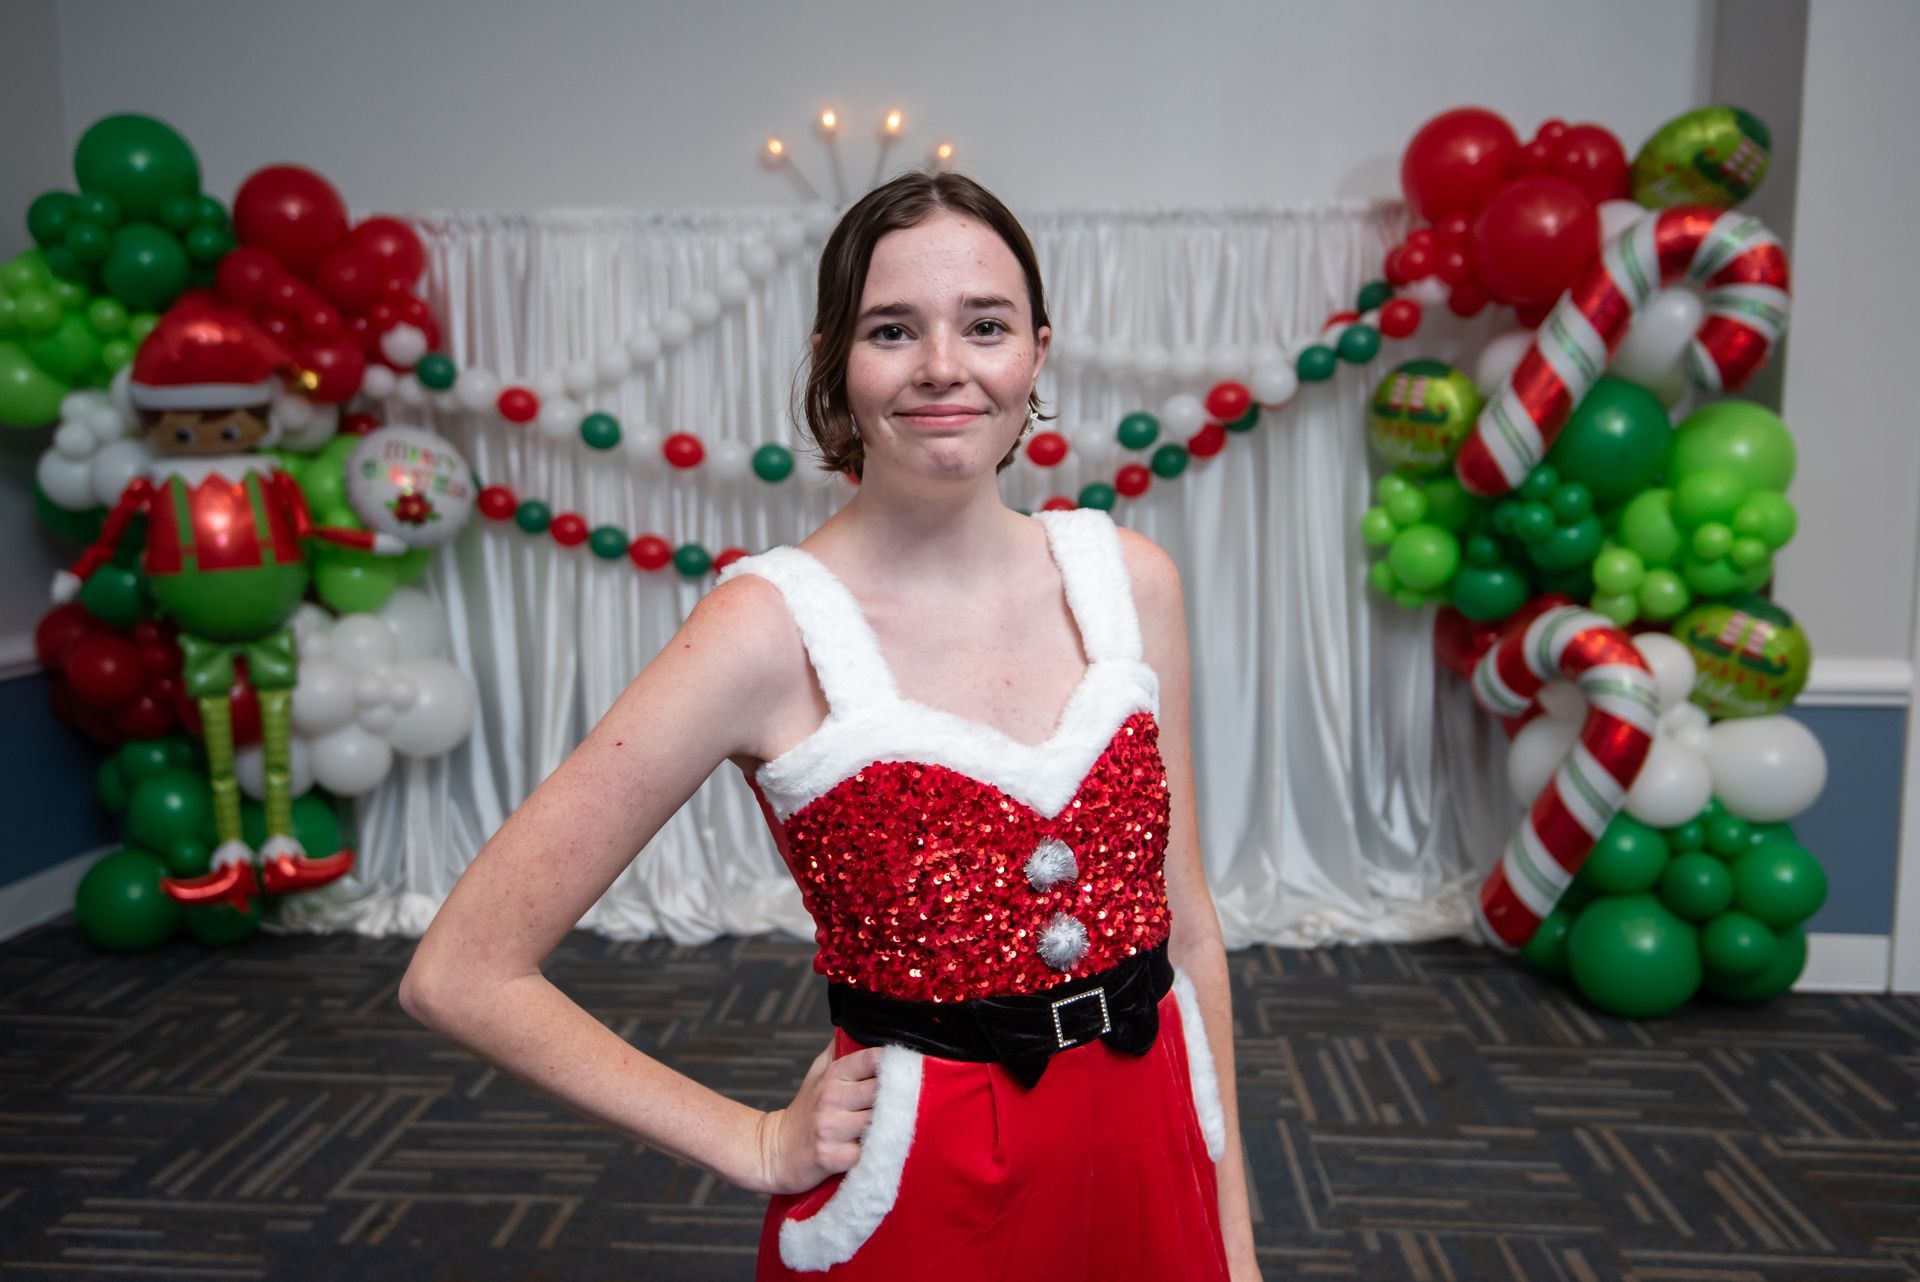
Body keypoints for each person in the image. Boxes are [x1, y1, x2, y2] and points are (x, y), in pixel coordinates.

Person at [401, 170, 1260, 1280]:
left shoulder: (1129, 580)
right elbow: (463, 971)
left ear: (1036, 352)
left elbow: (1186, 929)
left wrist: (1232, 1232)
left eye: (984, 325)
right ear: (836, 364)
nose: (944, 365)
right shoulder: (766, 629)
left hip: (1153, 1147)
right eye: (894, 329)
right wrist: (750, 1138)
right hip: (927, 1181)